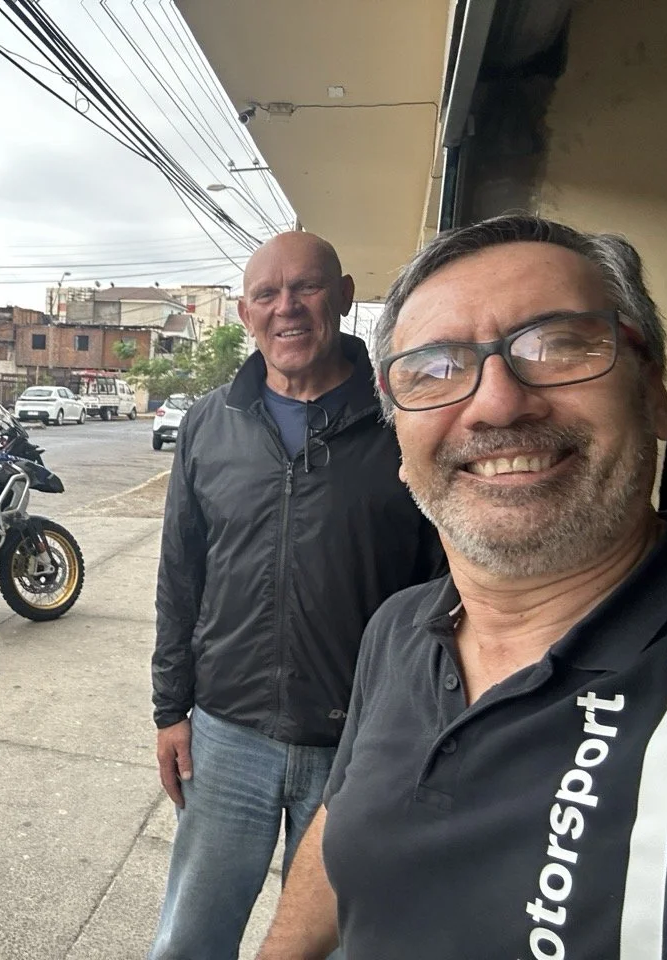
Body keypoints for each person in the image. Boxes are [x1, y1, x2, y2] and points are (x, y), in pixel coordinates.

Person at [256, 215, 667, 960]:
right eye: (434, 369)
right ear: (399, 440)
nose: (497, 403)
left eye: (557, 344)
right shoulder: (400, 631)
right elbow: (344, 822)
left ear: (654, 390)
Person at [150, 231, 444, 959]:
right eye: (266, 294)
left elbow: (444, 585)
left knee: (331, 945)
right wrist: (170, 710)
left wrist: (425, 724)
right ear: (245, 314)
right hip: (225, 735)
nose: (287, 308)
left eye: (306, 288)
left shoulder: (404, 419)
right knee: (190, 939)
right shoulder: (209, 422)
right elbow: (181, 574)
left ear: (343, 296)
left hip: (360, 743)